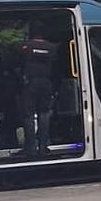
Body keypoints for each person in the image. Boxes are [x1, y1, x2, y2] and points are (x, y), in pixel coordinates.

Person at [19, 21, 60, 156]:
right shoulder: (52, 48)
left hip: (30, 83)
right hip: (46, 82)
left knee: (28, 115)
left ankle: (30, 147)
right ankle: (43, 146)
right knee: (44, 113)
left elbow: (17, 62)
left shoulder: (26, 46)